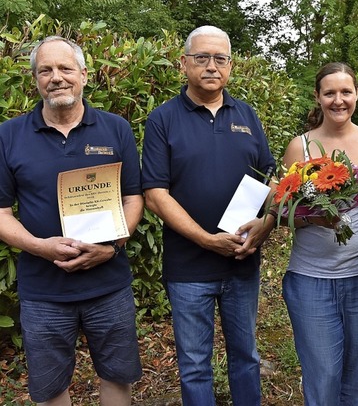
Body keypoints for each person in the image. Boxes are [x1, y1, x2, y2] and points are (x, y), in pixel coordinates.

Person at [0, 36, 143, 405]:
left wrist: (111, 248)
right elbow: (0, 213)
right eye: (45, 70)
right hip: (43, 290)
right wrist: (39, 247)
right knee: (50, 389)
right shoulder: (8, 135)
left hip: (109, 285)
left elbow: (133, 198)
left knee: (117, 377)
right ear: (35, 80)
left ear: (83, 74)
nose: (56, 77)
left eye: (65, 68)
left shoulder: (116, 129)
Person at [141, 25, 276, 406]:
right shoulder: (162, 119)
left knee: (246, 358)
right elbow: (155, 195)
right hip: (189, 268)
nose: (212, 66)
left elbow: (271, 180)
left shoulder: (247, 114)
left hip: (241, 263)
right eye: (202, 58)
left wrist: (263, 230)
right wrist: (205, 239)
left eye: (220, 59)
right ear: (184, 64)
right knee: (195, 364)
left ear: (231, 66)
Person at [280, 62, 358, 405]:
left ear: (357, 94)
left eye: (346, 92)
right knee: (322, 375)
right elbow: (284, 213)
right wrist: (314, 218)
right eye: (329, 93)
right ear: (318, 97)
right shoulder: (299, 147)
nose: (338, 100)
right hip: (311, 279)